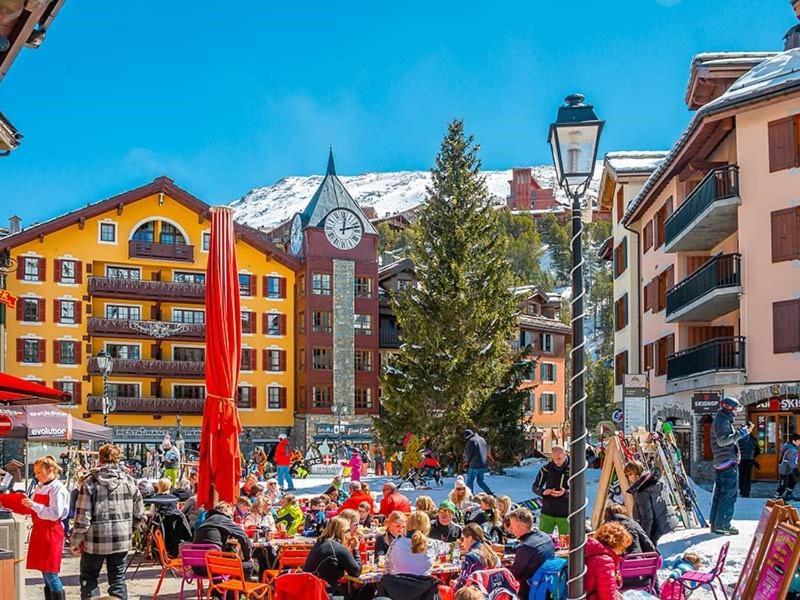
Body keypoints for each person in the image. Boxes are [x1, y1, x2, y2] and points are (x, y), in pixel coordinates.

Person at [71, 444, 145, 600]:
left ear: (100, 458)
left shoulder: (90, 482)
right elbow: (139, 514)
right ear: (118, 459)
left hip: (94, 541)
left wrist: (75, 541)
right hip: (121, 540)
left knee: (89, 577)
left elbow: (83, 518)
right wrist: (129, 529)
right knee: (117, 579)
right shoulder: (130, 481)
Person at [9, 456, 69, 600]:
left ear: (50, 470)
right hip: (40, 532)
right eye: (35, 472)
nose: (36, 476)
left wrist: (34, 505)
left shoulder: (57, 489)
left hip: (51, 533)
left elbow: (55, 514)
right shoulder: (40, 487)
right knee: (44, 570)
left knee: (50, 572)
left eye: (39, 472)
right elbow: (33, 508)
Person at [709, 396, 752, 535]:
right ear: (729, 408)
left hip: (722, 461)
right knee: (729, 495)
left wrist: (739, 433)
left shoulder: (723, 420)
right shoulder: (722, 421)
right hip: (727, 462)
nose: (737, 412)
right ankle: (723, 524)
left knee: (720, 494)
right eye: (737, 408)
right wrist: (741, 434)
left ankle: (716, 523)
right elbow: (722, 441)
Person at [303, 516, 362, 595]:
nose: (349, 534)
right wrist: (356, 549)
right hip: (326, 594)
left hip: (310, 592)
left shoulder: (319, 543)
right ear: (342, 531)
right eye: (348, 531)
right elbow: (356, 572)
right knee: (365, 591)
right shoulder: (338, 548)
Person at [505, 507, 555, 600]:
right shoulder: (545, 536)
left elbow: (513, 574)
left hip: (529, 590)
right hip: (547, 584)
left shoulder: (526, 547)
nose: (510, 528)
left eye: (512, 525)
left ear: (522, 525)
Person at [193, 501, 254, 575]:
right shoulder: (222, 519)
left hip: (197, 568)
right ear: (227, 512)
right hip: (213, 568)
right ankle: (236, 585)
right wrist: (248, 558)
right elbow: (244, 536)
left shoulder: (206, 521)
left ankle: (216, 585)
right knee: (249, 565)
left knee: (222, 556)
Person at [623, 460, 671, 546]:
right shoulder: (654, 481)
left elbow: (647, 518)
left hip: (654, 530)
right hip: (665, 523)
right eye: (626, 475)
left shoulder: (641, 490)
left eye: (629, 474)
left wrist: (644, 539)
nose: (628, 477)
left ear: (637, 473)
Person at [584, 521, 632, 600]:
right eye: (623, 547)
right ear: (617, 543)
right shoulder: (605, 561)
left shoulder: (593, 552)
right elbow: (607, 595)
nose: (623, 551)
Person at [532, 445, 570, 534]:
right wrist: (543, 492)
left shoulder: (574, 468)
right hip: (548, 510)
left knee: (565, 543)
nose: (556, 461)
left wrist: (566, 493)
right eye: (554, 459)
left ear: (565, 455)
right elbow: (535, 487)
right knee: (544, 539)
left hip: (566, 512)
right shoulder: (546, 469)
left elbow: (579, 489)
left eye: (559, 458)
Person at [385, 511, 437, 576]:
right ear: (427, 527)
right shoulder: (433, 544)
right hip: (423, 584)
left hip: (399, 584)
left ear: (408, 525)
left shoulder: (395, 543)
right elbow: (451, 547)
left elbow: (388, 568)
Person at [453, 522, 500, 589]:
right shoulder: (492, 553)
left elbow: (462, 584)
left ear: (469, 538)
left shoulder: (470, 557)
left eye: (462, 539)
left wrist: (455, 584)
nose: (462, 543)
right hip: (492, 592)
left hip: (475, 594)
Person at [463, 428, 494, 495]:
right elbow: (486, 450)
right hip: (483, 464)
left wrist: (466, 462)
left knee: (469, 481)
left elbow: (469, 454)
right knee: (480, 481)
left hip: (474, 465)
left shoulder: (471, 441)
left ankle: (469, 496)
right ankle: (489, 493)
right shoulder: (482, 439)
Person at [738, 428, 761, 498]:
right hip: (749, 460)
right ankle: (746, 492)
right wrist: (753, 456)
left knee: (741, 476)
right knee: (747, 477)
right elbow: (758, 451)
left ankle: (741, 491)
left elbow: (735, 450)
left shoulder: (739, 440)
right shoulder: (753, 440)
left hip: (740, 460)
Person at [777, 433, 800, 500]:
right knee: (783, 485)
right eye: (798, 441)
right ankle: (777, 498)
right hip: (784, 470)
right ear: (793, 441)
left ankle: (788, 495)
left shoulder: (791, 447)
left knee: (793, 481)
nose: (799, 442)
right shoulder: (791, 450)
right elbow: (791, 462)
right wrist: (796, 471)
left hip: (789, 470)